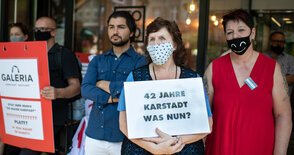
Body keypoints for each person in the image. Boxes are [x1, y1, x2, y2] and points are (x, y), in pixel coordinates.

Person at [117, 17, 213, 155]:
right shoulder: (134, 78)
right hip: (141, 150)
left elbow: (207, 125)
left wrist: (175, 142)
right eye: (152, 39)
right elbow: (123, 123)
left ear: (174, 45)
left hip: (184, 150)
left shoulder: (192, 80)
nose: (156, 43)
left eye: (162, 38)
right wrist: (154, 148)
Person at [204, 9, 292, 155]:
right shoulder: (214, 68)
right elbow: (202, 113)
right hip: (221, 149)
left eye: (241, 30)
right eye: (229, 32)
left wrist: (280, 152)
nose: (235, 36)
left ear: (253, 33)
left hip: (259, 148)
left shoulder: (271, 68)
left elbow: (283, 115)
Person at [0, 17, 81, 155]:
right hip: (24, 114)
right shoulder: (27, 52)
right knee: (5, 144)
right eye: (37, 29)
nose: (39, 32)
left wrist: (58, 92)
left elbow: (76, 87)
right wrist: (0, 95)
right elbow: (16, 82)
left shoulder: (63, 55)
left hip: (50, 118)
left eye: (44, 29)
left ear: (54, 32)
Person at [81, 11, 146, 154]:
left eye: (121, 27)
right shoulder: (98, 60)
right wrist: (111, 98)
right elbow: (85, 89)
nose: (115, 31)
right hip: (95, 135)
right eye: (111, 27)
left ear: (131, 32)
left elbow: (137, 92)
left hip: (124, 136)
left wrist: (104, 84)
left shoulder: (140, 61)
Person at [0, 22, 29, 155]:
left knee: (28, 146)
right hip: (10, 107)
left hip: (28, 108)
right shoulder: (4, 55)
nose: (13, 37)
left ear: (25, 37)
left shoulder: (33, 55)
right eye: (11, 35)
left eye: (17, 34)